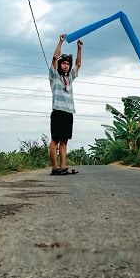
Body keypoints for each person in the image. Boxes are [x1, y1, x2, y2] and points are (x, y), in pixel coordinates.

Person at [49, 33, 83, 175]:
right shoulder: (54, 75)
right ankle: (54, 168)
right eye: (64, 63)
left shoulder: (69, 78)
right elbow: (54, 58)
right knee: (55, 141)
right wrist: (60, 42)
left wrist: (79, 48)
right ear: (59, 65)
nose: (66, 66)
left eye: (67, 64)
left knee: (64, 141)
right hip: (58, 111)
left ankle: (63, 167)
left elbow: (78, 64)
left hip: (68, 112)